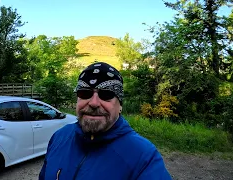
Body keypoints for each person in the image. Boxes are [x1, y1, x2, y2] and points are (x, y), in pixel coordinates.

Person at [39, 62, 172, 180]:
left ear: (120, 105)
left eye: (106, 95)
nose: (94, 103)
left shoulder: (143, 157)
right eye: (85, 93)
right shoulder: (59, 137)